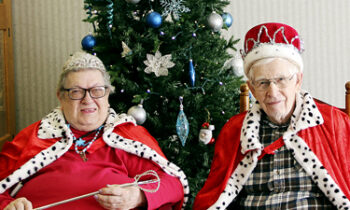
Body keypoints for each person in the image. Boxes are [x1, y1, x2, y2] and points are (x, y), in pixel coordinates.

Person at [0, 52, 189, 210]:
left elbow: (174, 183)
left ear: (107, 94)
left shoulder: (127, 135)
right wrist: (9, 205)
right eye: (76, 91)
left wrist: (138, 196)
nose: (87, 99)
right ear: (61, 97)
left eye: (97, 90)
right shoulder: (35, 136)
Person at [194, 22, 350, 209]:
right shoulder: (235, 131)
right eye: (263, 83)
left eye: (281, 80)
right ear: (251, 88)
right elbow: (216, 196)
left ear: (298, 80)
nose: (273, 92)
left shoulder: (333, 123)